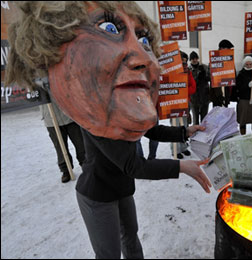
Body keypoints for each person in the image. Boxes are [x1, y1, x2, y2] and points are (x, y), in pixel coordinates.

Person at [5, 2, 212, 259]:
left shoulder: (124, 109)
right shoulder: (93, 110)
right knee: (110, 254)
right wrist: (182, 167)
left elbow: (150, 129)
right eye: (110, 28)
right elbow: (134, 166)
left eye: (144, 40)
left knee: (131, 239)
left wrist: (185, 133)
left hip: (122, 190)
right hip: (97, 196)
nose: (145, 58)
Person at [41, 101, 85, 183]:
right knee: (60, 147)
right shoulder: (34, 87)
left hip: (70, 115)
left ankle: (86, 165)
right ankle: (65, 170)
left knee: (80, 143)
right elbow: (31, 98)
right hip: (51, 119)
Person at [170, 51, 196, 159]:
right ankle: (175, 149)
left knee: (184, 126)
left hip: (185, 102)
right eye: (181, 60)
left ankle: (184, 147)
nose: (183, 62)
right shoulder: (170, 72)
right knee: (175, 127)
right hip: (174, 103)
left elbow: (193, 87)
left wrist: (183, 91)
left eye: (185, 60)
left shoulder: (188, 72)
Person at [210, 39, 234, 107]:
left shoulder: (230, 60)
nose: (229, 50)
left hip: (226, 93)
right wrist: (219, 95)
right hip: (217, 96)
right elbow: (214, 79)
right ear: (222, 48)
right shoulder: (215, 60)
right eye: (228, 48)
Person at [189, 51, 210, 125]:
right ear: (190, 60)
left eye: (196, 58)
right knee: (196, 120)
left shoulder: (204, 67)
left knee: (204, 119)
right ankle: (196, 135)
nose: (194, 60)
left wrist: (205, 75)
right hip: (194, 98)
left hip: (204, 96)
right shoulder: (189, 70)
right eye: (192, 59)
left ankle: (204, 135)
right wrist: (196, 77)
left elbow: (210, 78)